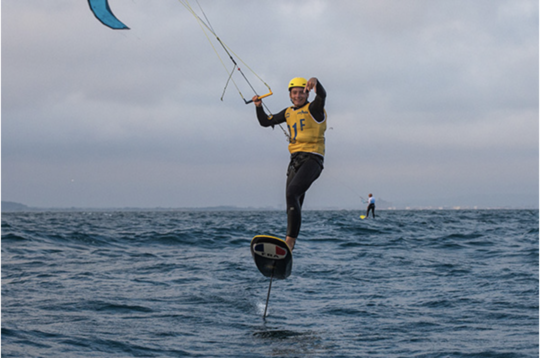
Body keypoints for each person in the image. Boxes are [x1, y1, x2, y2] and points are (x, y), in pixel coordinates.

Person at [252, 77, 327, 251]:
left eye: (302, 92)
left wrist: (316, 83)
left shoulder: (314, 108)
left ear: (307, 93)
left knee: (292, 192)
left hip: (313, 158)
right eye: (295, 93)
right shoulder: (288, 112)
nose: (298, 95)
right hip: (295, 161)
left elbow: (322, 95)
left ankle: (290, 242)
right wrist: (258, 106)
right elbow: (265, 122)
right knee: (292, 200)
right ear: (290, 95)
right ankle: (289, 246)